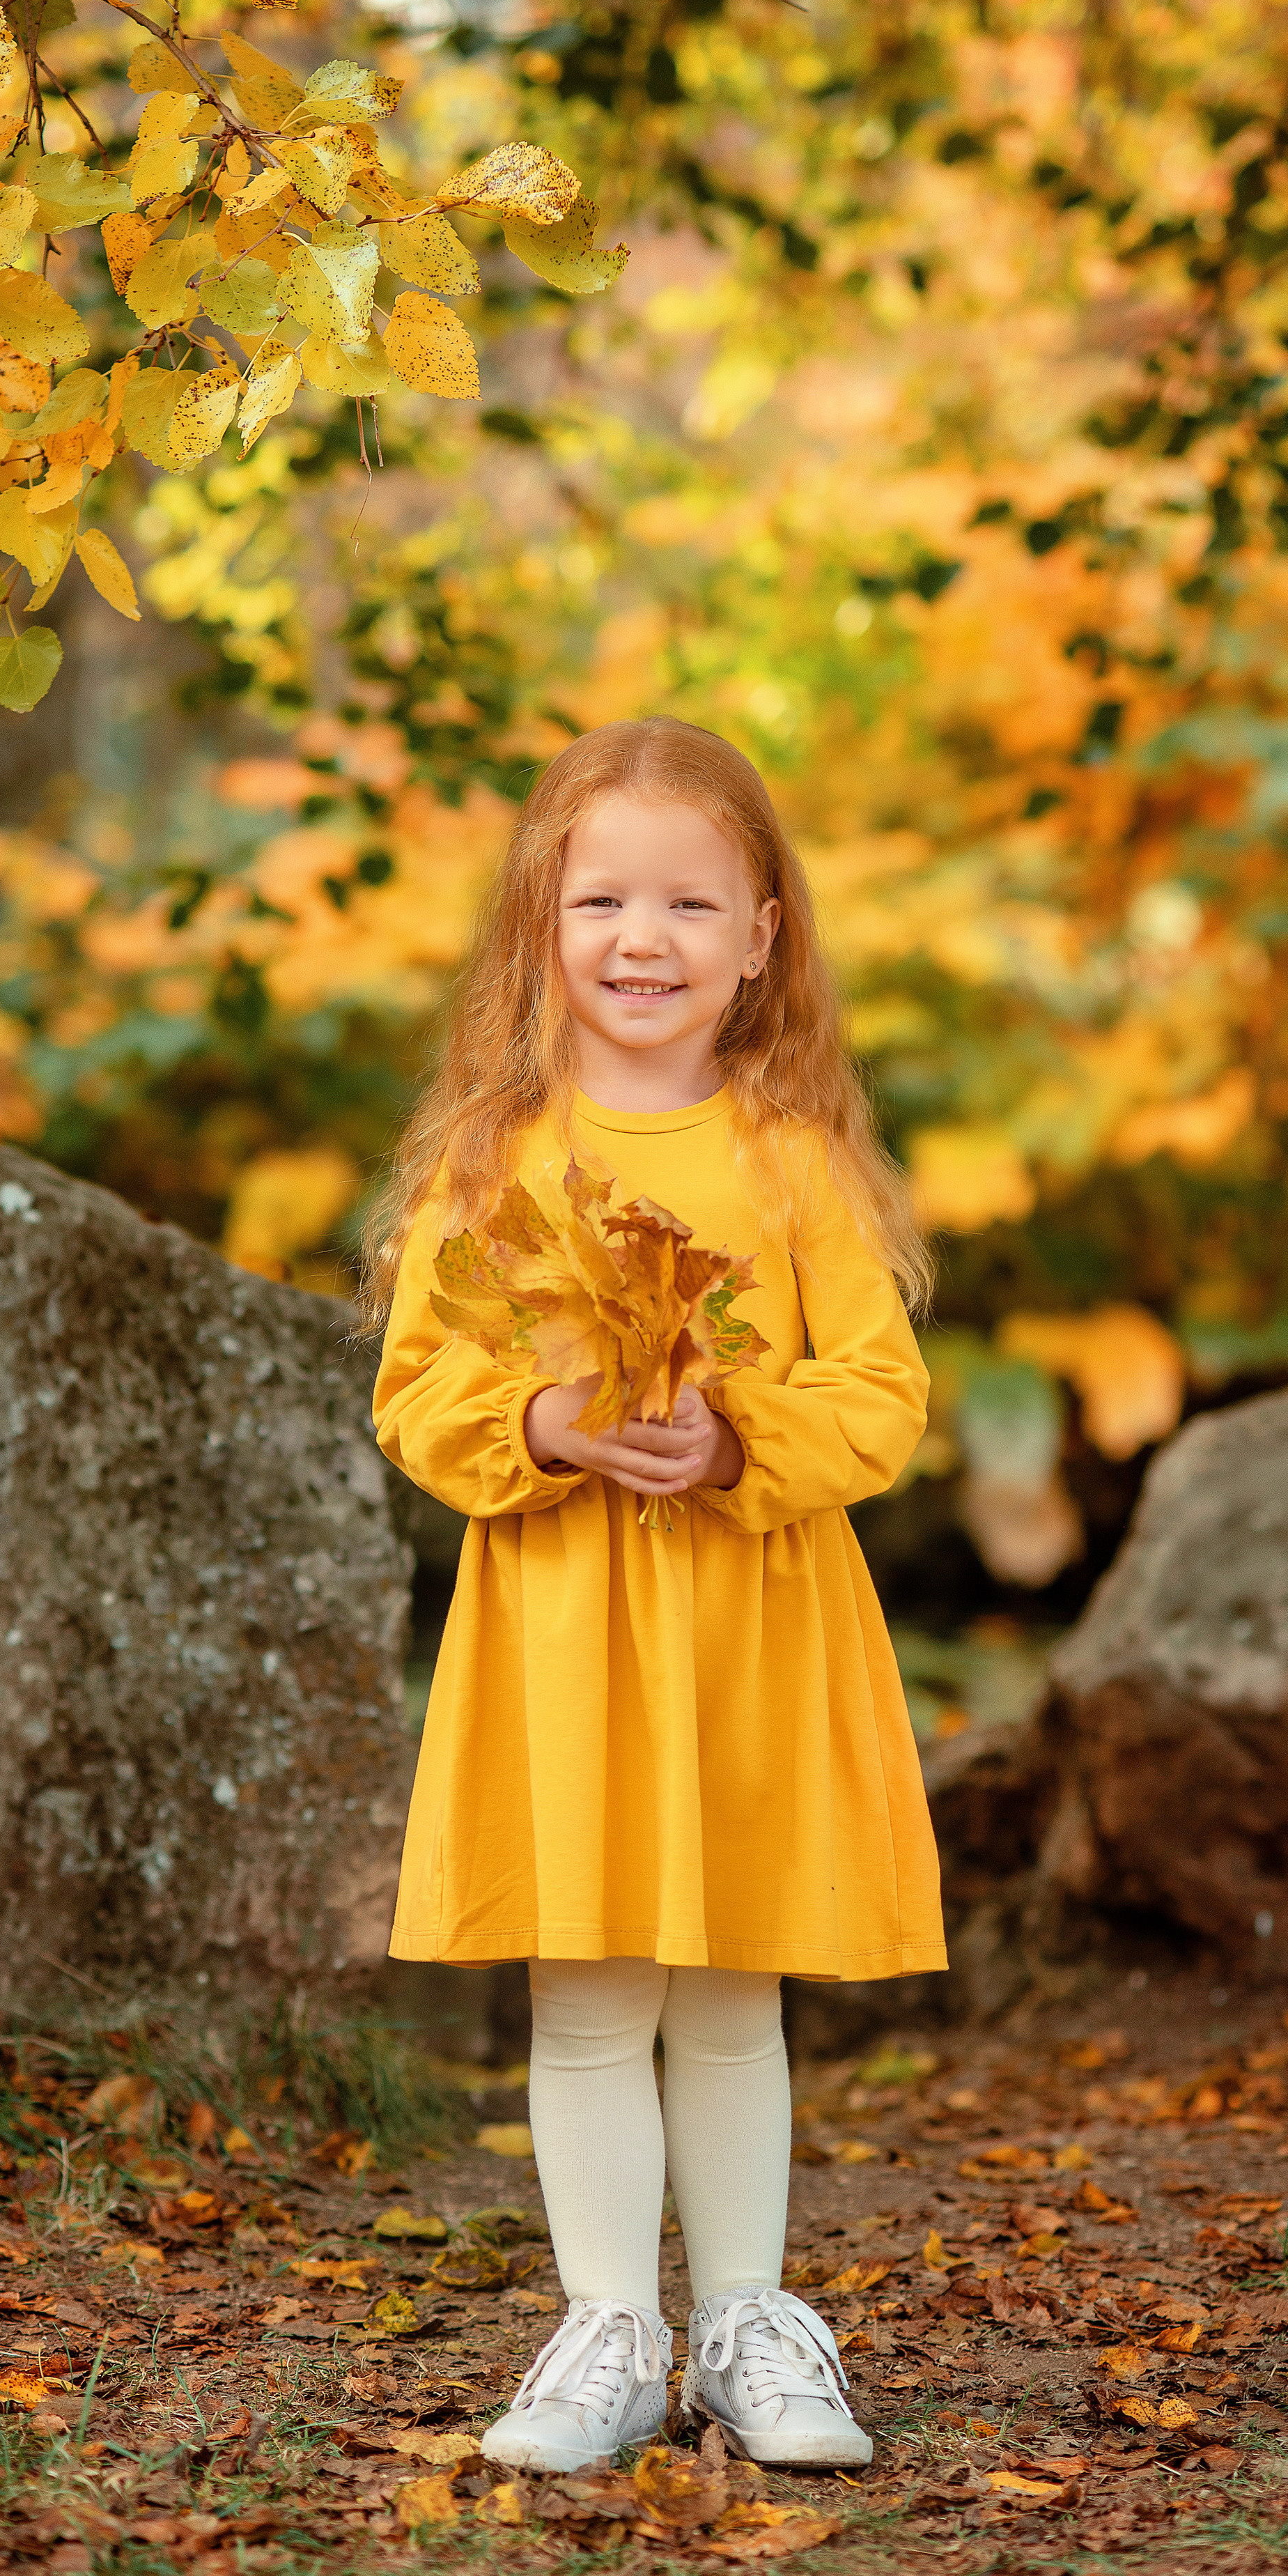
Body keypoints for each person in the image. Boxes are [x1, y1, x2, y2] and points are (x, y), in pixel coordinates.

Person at [363, 715, 945, 2476]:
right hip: (564, 1635)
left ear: (762, 933)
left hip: (746, 1620)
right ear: (541, 924)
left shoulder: (793, 1162)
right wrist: (541, 1420)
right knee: (591, 1993)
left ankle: (755, 2322)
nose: (643, 938)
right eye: (601, 898)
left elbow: (882, 1396)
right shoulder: (493, 1161)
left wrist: (736, 1435)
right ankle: (610, 2326)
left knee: (730, 1992)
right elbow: (416, 1397)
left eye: (691, 902)